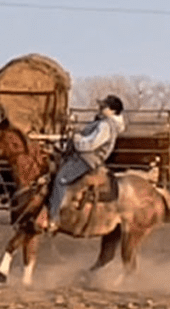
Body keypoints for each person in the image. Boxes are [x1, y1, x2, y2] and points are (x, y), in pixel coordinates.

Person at [46, 94, 126, 232]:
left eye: (104, 106)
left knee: (60, 179)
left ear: (113, 110)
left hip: (87, 159)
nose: (101, 107)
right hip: (83, 156)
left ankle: (53, 218)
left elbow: (91, 144)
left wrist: (76, 139)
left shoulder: (106, 125)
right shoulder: (103, 122)